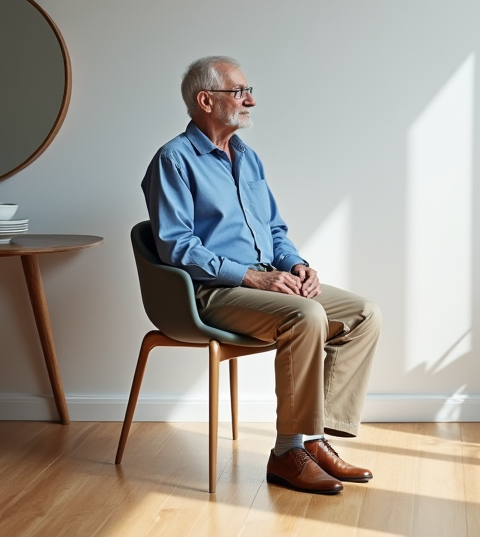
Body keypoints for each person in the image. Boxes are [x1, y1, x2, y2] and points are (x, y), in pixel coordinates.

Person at [141, 56, 381, 495]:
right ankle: (287, 452)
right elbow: (176, 246)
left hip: (268, 281)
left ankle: (312, 439)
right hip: (210, 292)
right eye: (239, 92)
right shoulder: (173, 160)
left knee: (364, 313)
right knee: (305, 316)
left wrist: (295, 266)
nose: (250, 100)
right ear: (206, 100)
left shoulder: (248, 159)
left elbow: (274, 230)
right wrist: (251, 278)